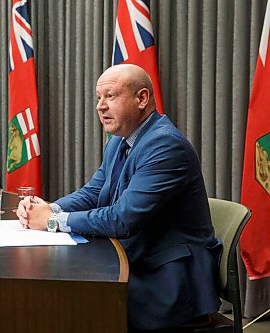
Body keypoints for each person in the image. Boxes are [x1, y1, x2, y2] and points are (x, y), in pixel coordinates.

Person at [16, 64, 222, 331]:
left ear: (142, 98)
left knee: (68, 302)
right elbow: (93, 192)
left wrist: (52, 221)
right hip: (137, 259)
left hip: (167, 279)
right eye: (98, 98)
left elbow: (123, 219)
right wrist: (48, 208)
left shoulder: (165, 145)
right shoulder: (120, 139)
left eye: (110, 96)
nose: (101, 106)